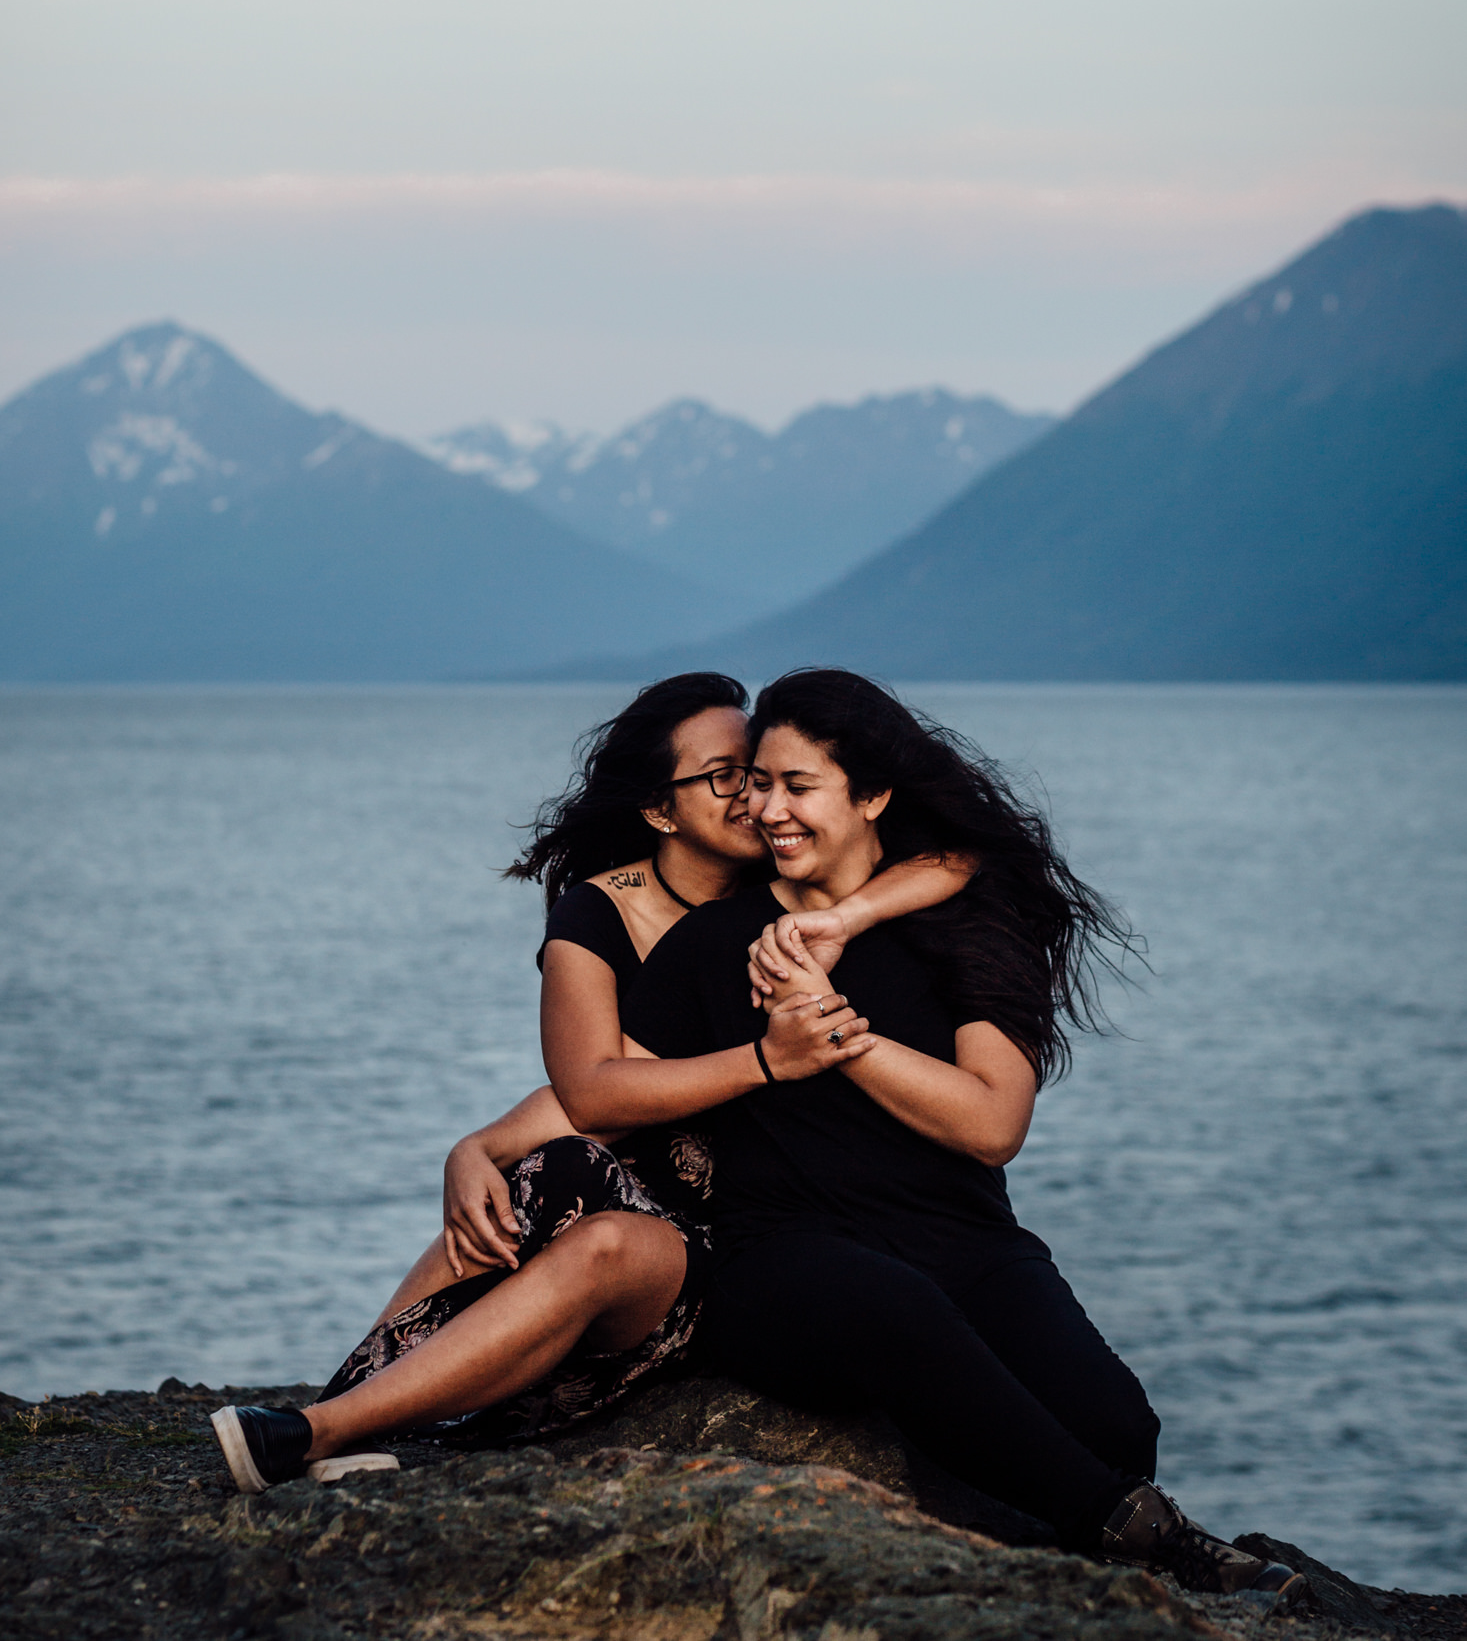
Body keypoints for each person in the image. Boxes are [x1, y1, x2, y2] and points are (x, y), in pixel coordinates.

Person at [605, 667, 1305, 1603]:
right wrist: (482, 1149)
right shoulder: (710, 944)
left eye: (797, 787)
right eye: (756, 783)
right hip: (779, 1256)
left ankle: (1089, 1514)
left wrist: (830, 1027)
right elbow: (619, 1090)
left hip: (961, 1239)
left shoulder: (966, 927)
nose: (767, 810)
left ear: (873, 796)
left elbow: (991, 1124)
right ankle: (1148, 1534)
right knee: (894, 1307)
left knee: (1114, 1423)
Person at [210, 671, 975, 1494]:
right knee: (548, 1177)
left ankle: (323, 1423)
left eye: (759, 772)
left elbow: (956, 854)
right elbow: (594, 1094)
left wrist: (845, 920)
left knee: (583, 1204)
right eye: (726, 778)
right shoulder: (599, 915)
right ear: (658, 809)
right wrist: (477, 1147)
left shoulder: (795, 872)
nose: (757, 800)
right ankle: (328, 1420)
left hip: (752, 1229)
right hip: (615, 1196)